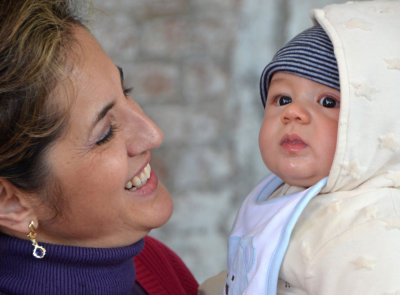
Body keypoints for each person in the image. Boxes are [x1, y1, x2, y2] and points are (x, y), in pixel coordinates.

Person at [200, 1, 400, 294]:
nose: (293, 113)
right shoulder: (282, 194)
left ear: (375, 126)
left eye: (328, 102)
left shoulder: (373, 229)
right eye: (282, 99)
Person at [0, 1, 198, 294]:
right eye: (105, 133)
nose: (153, 134)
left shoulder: (151, 262)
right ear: (10, 203)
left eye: (125, 92)